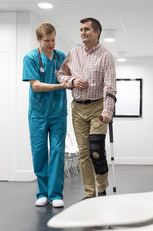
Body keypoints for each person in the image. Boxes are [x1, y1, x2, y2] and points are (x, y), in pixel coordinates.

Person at [56, 17, 117, 200]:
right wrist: (72, 81)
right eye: (81, 29)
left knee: (96, 150)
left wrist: (107, 111)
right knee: (83, 153)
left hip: (98, 107)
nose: (83, 32)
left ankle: (102, 188)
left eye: (87, 29)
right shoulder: (73, 53)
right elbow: (60, 74)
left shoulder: (106, 56)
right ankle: (89, 193)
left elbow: (110, 86)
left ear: (97, 32)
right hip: (78, 108)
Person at [22, 23, 70, 208]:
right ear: (38, 39)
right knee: (40, 153)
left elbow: (69, 77)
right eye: (47, 40)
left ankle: (56, 194)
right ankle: (42, 192)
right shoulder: (31, 58)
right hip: (38, 114)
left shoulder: (61, 57)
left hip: (58, 113)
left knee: (58, 152)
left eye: (53, 40)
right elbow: (36, 85)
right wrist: (61, 86)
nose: (51, 44)